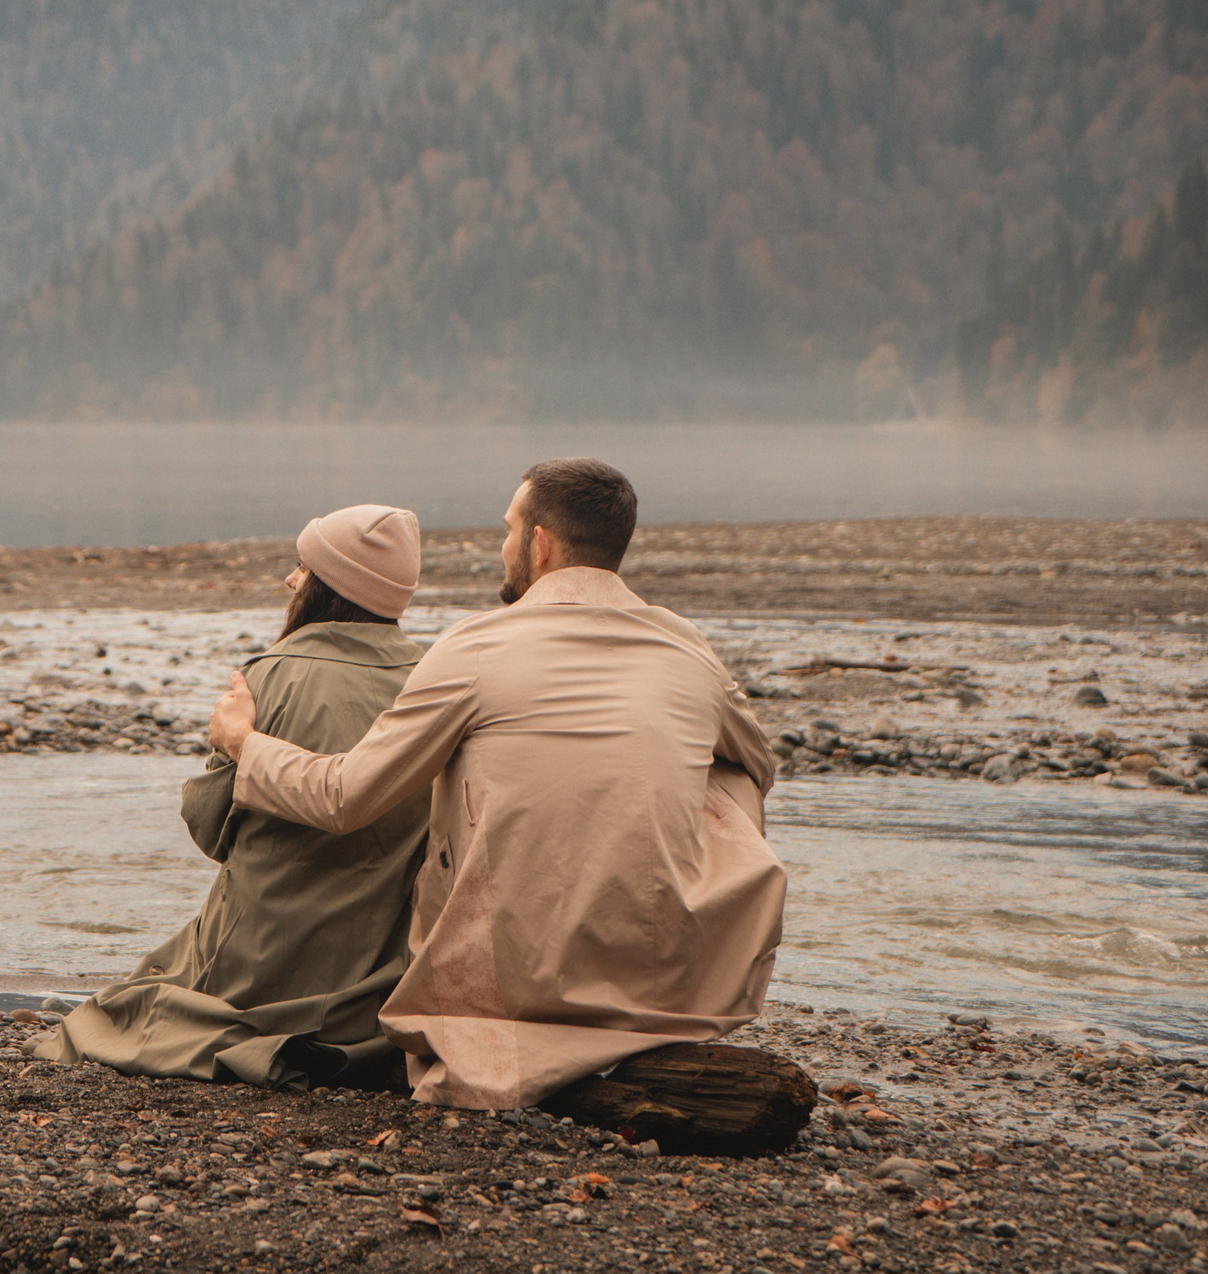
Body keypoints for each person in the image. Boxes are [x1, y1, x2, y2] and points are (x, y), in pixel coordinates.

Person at [207, 459, 785, 1109]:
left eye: (508, 530)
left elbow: (345, 797)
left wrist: (244, 744)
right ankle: (678, 946)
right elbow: (757, 763)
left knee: (454, 756)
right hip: (670, 975)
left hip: (515, 972)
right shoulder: (690, 648)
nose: (503, 546)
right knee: (725, 773)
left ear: (540, 544)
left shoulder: (476, 645)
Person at [35, 504, 431, 1089]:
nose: (291, 580)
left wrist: (229, 744)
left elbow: (209, 826)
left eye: (303, 568)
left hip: (260, 950)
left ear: (330, 587)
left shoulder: (266, 677)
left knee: (127, 1010)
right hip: (382, 964)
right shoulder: (431, 679)